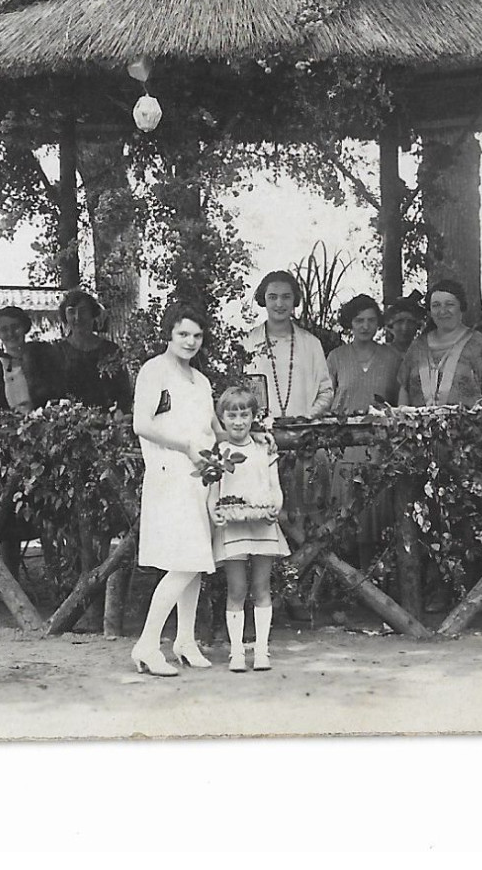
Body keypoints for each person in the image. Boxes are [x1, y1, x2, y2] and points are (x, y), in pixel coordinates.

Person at [130, 304, 223, 677]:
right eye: (183, 333)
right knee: (188, 559)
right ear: (169, 333)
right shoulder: (154, 370)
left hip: (201, 476)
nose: (190, 341)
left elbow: (213, 427)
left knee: (194, 561)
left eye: (197, 336)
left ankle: (184, 640)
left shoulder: (200, 381)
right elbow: (141, 424)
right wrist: (184, 445)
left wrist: (251, 436)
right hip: (170, 473)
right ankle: (148, 644)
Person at [209, 384, 289, 672]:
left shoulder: (264, 448)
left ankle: (262, 650)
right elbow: (212, 492)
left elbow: (274, 488)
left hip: (262, 525)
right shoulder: (219, 451)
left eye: (244, 415)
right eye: (232, 416)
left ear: (254, 416)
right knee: (237, 589)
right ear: (223, 418)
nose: (239, 421)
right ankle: (237, 652)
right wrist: (214, 513)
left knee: (261, 587)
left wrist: (274, 510)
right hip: (232, 527)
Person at [324, 294, 403, 562]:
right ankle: (342, 580)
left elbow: (400, 403)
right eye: (359, 320)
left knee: (376, 513)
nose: (365, 326)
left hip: (379, 447)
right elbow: (326, 399)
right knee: (343, 515)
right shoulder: (336, 357)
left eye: (371, 320)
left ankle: (375, 580)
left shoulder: (393, 357)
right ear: (350, 323)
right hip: (345, 448)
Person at [241, 270, 333, 420]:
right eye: (272, 297)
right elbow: (235, 392)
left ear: (294, 300)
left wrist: (307, 418)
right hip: (258, 435)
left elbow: (325, 391)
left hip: (303, 433)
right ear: (263, 299)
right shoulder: (247, 343)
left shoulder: (311, 344)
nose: (279, 304)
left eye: (286, 297)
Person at [397, 279, 482, 406]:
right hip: (418, 424)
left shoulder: (477, 342)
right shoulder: (417, 346)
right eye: (436, 305)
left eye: (449, 304)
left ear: (461, 307)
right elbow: (404, 388)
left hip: (466, 424)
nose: (442, 311)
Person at [48, 288, 131, 410]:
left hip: (107, 421)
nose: (77, 317)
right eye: (71, 312)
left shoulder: (110, 350)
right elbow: (52, 394)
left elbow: (124, 393)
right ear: (65, 316)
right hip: (68, 422)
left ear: (93, 313)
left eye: (83, 311)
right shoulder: (57, 352)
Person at [0, 306, 52, 413]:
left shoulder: (43, 358)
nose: (10, 334)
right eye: (4, 329)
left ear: (24, 328)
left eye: (15, 327)